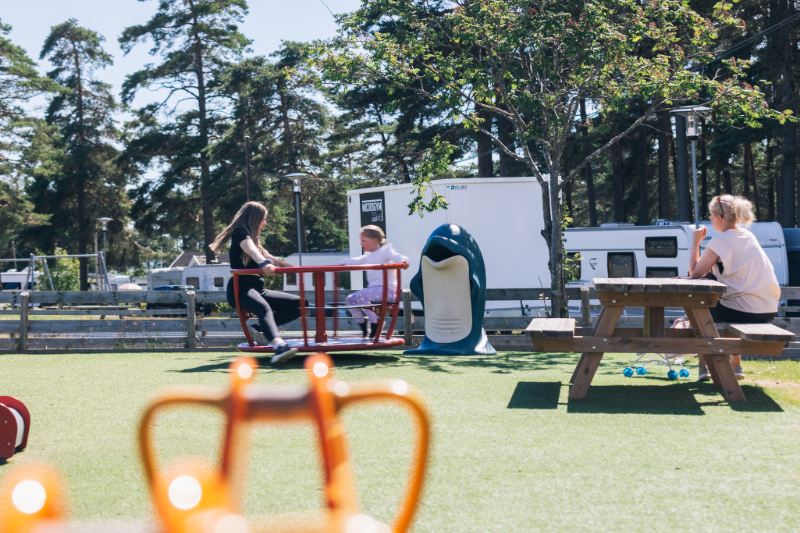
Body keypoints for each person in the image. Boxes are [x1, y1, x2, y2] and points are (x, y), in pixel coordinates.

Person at [689, 194, 780, 381]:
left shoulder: (720, 241)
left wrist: (696, 242)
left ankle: (704, 367)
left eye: (711, 216)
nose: (710, 220)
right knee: (730, 302)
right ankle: (736, 365)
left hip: (742, 310)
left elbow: (695, 274)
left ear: (719, 218)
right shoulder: (748, 236)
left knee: (700, 308)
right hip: (768, 309)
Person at [209, 202, 305, 363]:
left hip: (257, 288)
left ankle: (260, 329)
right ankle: (279, 347)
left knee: (302, 304)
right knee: (263, 308)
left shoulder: (254, 239)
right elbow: (252, 251)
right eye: (263, 219)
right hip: (241, 289)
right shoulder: (241, 234)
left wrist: (290, 266)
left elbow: (270, 257)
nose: (265, 223)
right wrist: (263, 264)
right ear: (255, 218)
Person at [341, 225, 408, 338]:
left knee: (361, 296)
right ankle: (363, 327)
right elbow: (357, 261)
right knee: (349, 299)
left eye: (364, 241)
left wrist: (404, 261)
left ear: (375, 241)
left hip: (388, 290)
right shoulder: (369, 256)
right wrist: (342, 262)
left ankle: (375, 323)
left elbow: (397, 256)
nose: (361, 243)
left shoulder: (385, 251)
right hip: (374, 290)